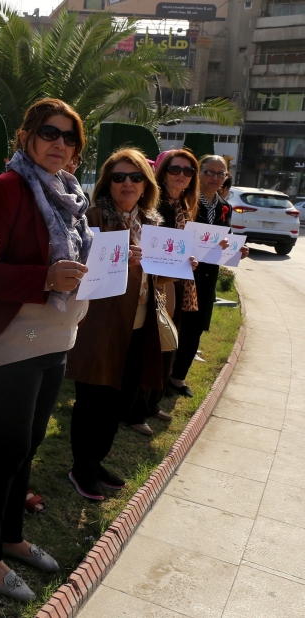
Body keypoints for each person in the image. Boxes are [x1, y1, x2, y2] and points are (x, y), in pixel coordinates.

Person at [0, 98, 93, 601]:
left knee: (28, 445)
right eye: (48, 132)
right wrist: (45, 278)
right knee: (4, 449)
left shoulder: (70, 194)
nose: (58, 143)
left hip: (58, 337)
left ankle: (11, 536)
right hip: (10, 341)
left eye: (68, 137)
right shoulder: (4, 188)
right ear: (26, 137)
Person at [66, 149, 189, 501]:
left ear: (146, 185)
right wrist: (117, 259)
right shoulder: (92, 217)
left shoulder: (151, 224)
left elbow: (162, 277)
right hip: (100, 326)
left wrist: (181, 264)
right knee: (93, 401)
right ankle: (82, 467)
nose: (127, 184)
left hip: (139, 326)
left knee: (122, 400)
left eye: (135, 178)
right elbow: (78, 263)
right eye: (119, 177)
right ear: (108, 182)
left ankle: (96, 460)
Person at [169, 155, 249, 397]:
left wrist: (236, 249)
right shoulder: (185, 201)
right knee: (176, 324)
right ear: (199, 174)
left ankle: (178, 377)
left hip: (208, 275)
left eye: (220, 174)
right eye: (209, 172)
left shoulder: (224, 207)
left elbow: (226, 239)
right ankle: (162, 376)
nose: (215, 178)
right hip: (183, 273)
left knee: (196, 327)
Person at [132, 149, 201, 431]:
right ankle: (135, 410)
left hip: (177, 282)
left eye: (188, 171)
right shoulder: (153, 204)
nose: (182, 175)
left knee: (167, 345)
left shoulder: (183, 205)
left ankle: (151, 403)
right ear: (162, 173)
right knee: (150, 344)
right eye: (175, 169)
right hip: (153, 284)